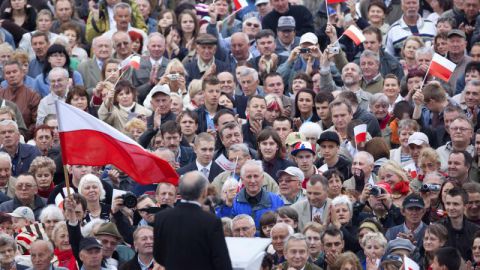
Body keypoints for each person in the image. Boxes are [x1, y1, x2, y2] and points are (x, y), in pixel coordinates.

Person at [153, 171, 232, 269]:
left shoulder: (161, 217)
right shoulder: (211, 221)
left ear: (180, 191)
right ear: (204, 192)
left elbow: (158, 255)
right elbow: (221, 261)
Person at [230, 160, 284, 228]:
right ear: (242, 179)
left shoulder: (277, 201)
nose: (252, 181)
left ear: (262, 178)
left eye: (256, 176)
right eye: (249, 177)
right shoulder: (234, 202)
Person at [439, 187, 480, 261]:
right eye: (448, 203)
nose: (451, 208)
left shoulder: (476, 231)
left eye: (455, 204)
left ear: (465, 206)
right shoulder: (437, 229)